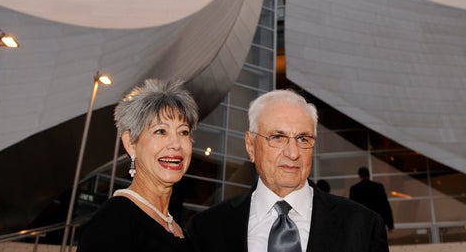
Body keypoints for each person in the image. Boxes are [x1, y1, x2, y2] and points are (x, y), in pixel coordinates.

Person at [188, 89, 389, 252]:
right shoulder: (207, 229)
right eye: (277, 137)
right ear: (250, 146)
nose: (293, 153)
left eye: (303, 139)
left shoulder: (363, 227)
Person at [77, 78, 199, 252]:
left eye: (183, 132)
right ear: (130, 143)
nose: (176, 144)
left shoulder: (178, 230)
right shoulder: (112, 224)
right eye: (160, 131)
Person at [349, 166, 394, 231]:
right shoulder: (378, 187)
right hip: (376, 221)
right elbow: (385, 205)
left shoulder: (354, 189)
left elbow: (352, 208)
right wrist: (390, 224)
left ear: (359, 176)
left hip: (362, 222)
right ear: (369, 175)